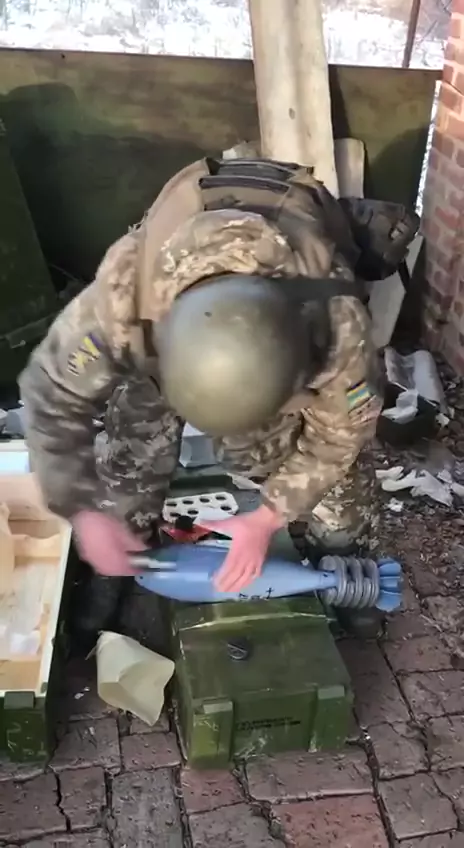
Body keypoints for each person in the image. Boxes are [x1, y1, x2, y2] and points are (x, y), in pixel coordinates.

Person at [19, 151, 413, 610]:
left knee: (325, 486)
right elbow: (52, 391)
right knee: (126, 468)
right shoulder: (124, 299)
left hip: (280, 337)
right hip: (167, 346)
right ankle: (126, 561)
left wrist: (268, 516)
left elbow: (340, 436)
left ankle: (344, 574)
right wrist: (83, 510)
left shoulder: (338, 326)